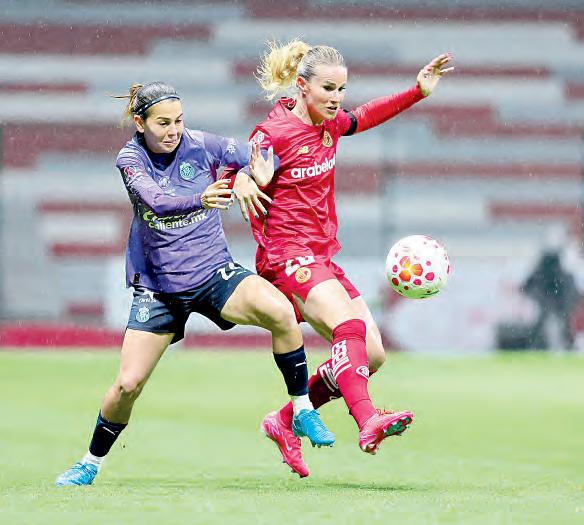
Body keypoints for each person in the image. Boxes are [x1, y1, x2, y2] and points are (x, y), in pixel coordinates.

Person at [55, 81, 334, 486]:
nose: (173, 131)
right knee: (128, 385)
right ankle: (90, 463)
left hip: (212, 273)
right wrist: (202, 198)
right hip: (159, 288)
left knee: (280, 311)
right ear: (140, 123)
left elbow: (264, 153)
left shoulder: (201, 143)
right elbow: (155, 201)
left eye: (179, 121)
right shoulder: (130, 158)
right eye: (163, 123)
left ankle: (303, 409)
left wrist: (245, 176)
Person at [224, 41, 453, 477]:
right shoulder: (272, 133)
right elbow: (234, 166)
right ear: (302, 86)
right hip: (286, 256)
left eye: (341, 89)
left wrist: (417, 92)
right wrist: (240, 179)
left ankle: (284, 420)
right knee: (349, 329)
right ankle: (367, 421)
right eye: (327, 89)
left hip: (321, 255)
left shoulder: (330, 124)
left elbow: (364, 116)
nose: (336, 98)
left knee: (373, 353)